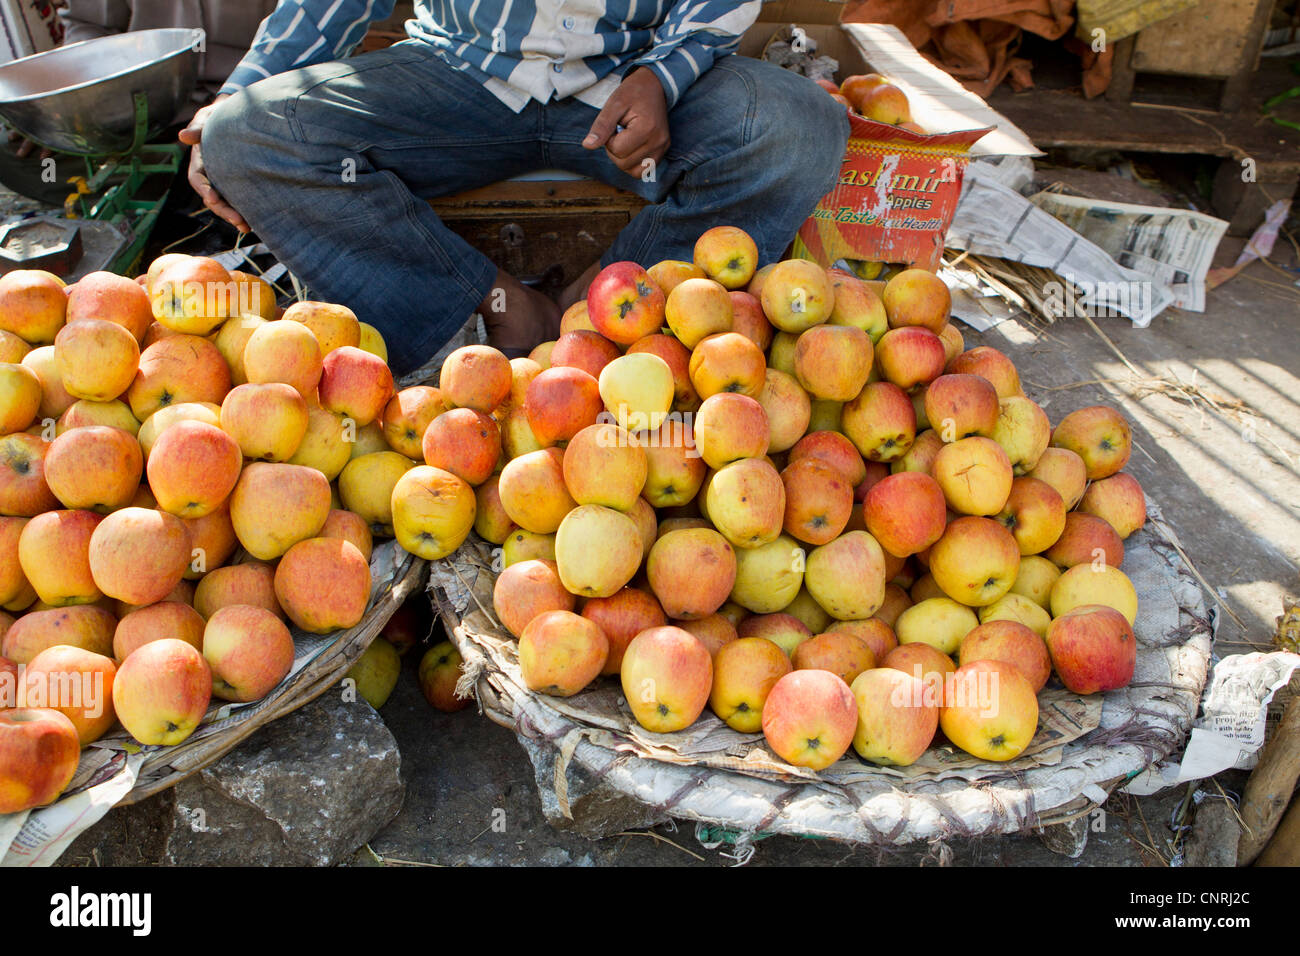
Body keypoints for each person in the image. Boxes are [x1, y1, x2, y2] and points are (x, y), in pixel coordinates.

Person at [186, 1, 849, 374]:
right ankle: (492, 313)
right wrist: (235, 99)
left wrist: (663, 76)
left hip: (629, 79)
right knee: (249, 134)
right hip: (456, 76)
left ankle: (603, 313)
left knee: (795, 129)